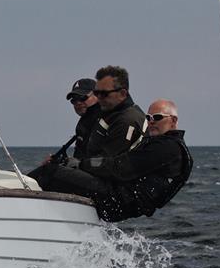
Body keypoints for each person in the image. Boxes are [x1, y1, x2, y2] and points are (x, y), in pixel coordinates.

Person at [31, 99, 193, 222]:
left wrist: (80, 164)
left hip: (118, 200)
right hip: (123, 201)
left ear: (173, 121)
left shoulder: (166, 148)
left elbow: (119, 167)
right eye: (148, 117)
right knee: (63, 174)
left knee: (50, 172)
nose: (151, 121)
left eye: (157, 117)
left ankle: (14, 195)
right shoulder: (167, 147)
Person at [83, 65, 147, 158]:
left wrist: (77, 165)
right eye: (96, 93)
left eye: (104, 94)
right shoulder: (109, 114)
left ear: (122, 94)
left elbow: (108, 163)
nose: (99, 98)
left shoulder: (127, 120)